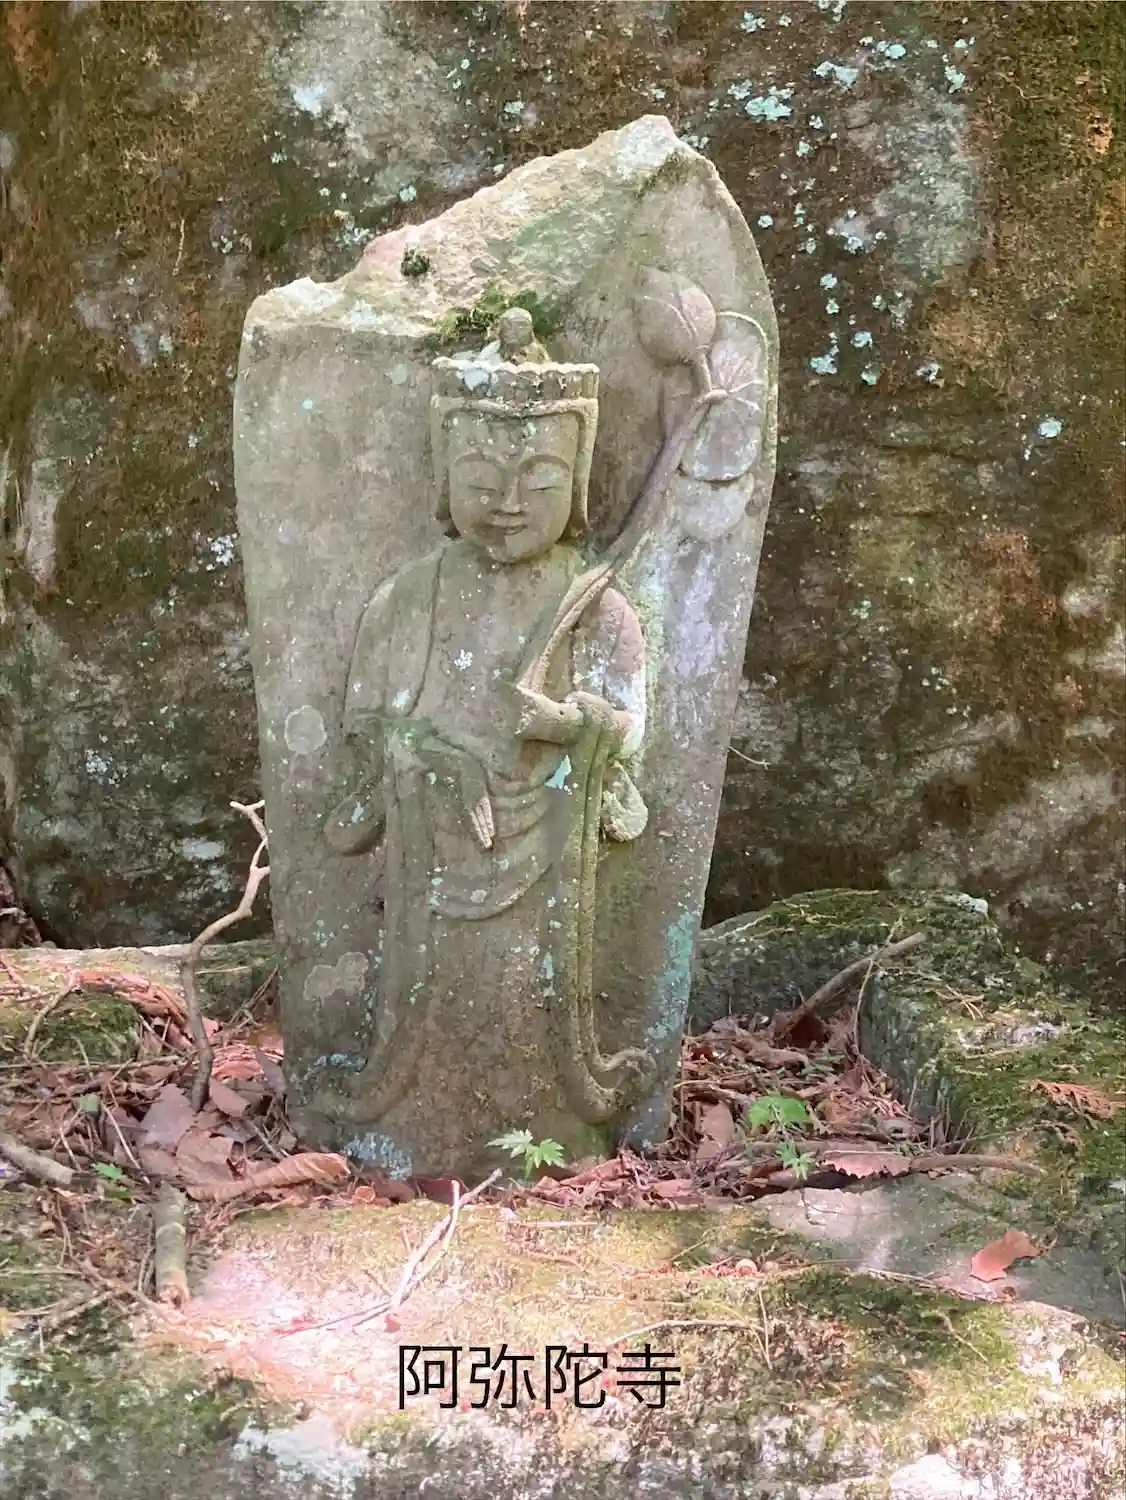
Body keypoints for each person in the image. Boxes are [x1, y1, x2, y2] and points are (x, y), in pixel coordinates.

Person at [315, 314, 652, 1147]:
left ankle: (552, 1130)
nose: (506, 503)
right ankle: (414, 1122)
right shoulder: (407, 601)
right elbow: (370, 725)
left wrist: (567, 723)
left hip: (549, 859)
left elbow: (625, 730)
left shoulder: (600, 610)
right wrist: (429, 755)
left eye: (538, 482)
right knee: (432, 997)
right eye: (480, 478)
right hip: (433, 852)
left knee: (531, 995)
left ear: (574, 485)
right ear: (444, 477)